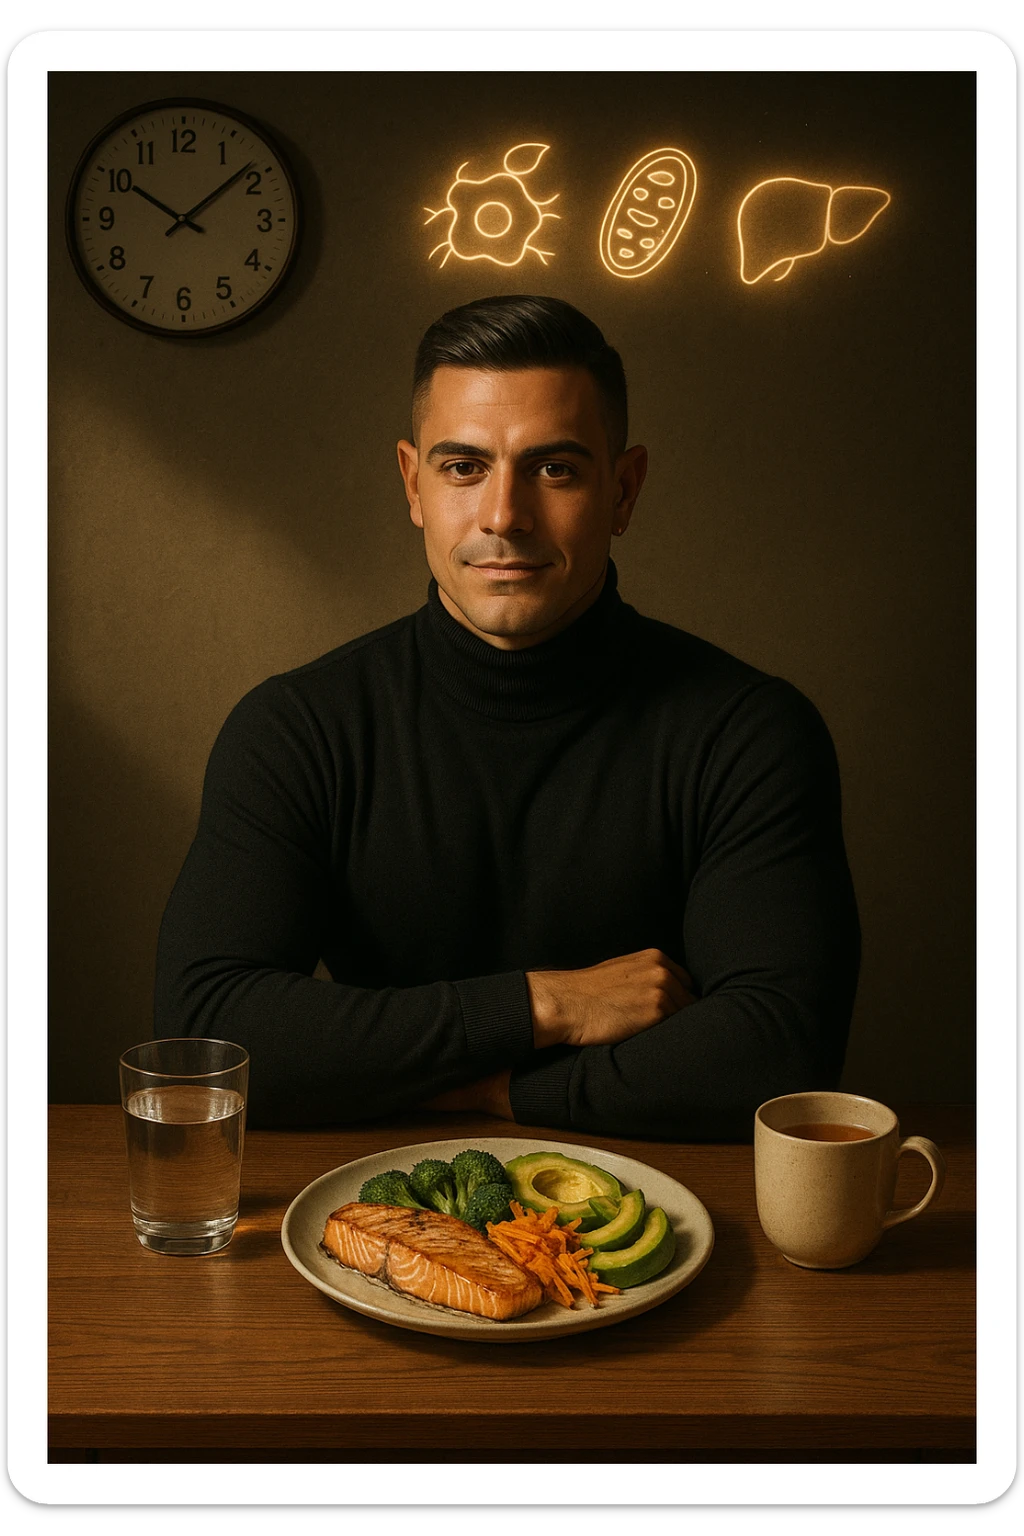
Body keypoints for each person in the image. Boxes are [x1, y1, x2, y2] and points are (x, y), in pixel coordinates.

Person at [155, 294, 860, 1138]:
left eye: (554, 469)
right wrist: (539, 1003)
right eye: (463, 468)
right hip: (362, 1220)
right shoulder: (299, 729)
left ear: (624, 489)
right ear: (414, 484)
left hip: (673, 1225)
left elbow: (783, 1049)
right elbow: (204, 1036)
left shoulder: (748, 734)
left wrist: (498, 1092)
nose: (503, 516)